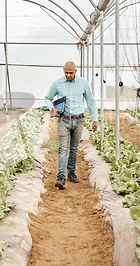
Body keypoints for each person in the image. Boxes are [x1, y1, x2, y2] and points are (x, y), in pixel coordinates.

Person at [45, 61, 98, 189]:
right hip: (64, 120)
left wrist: (94, 119)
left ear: (75, 71)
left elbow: (90, 101)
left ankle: (71, 173)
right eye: (66, 72)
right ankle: (61, 176)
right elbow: (48, 98)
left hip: (79, 120)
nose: (68, 75)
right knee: (63, 148)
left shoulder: (83, 83)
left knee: (74, 148)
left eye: (70, 72)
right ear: (63, 71)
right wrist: (52, 108)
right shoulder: (57, 83)